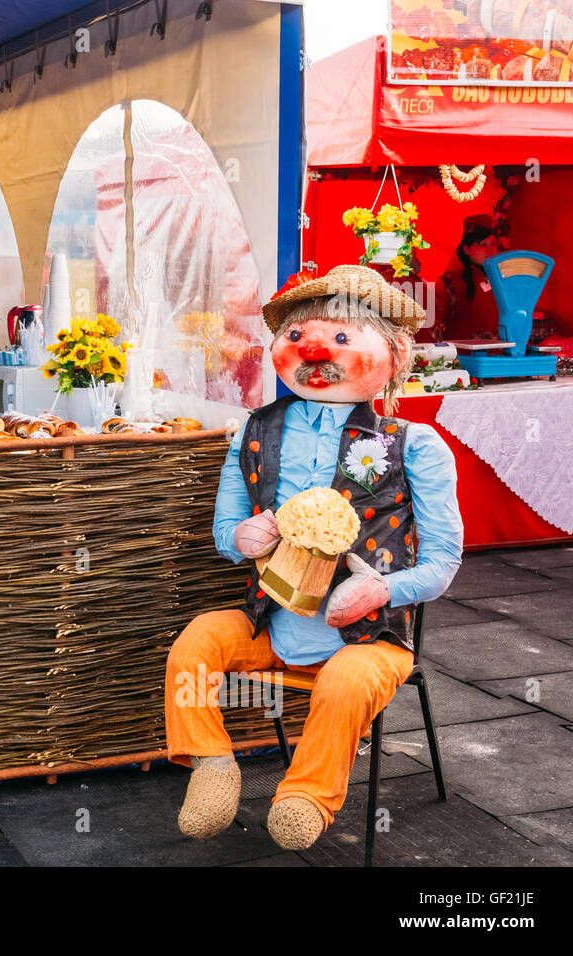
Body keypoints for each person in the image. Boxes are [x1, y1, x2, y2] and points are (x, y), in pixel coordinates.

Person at [165, 265, 463, 851]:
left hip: (371, 636)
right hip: (273, 623)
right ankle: (212, 766)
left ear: (394, 354)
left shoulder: (412, 443)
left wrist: (383, 589)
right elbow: (226, 534)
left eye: (343, 338)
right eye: (299, 337)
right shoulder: (252, 431)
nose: (316, 351)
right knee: (197, 642)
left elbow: (444, 561)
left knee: (348, 681)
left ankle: (305, 795)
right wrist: (241, 538)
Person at [436, 214, 504, 341]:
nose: (489, 249)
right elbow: (434, 324)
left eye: (493, 244)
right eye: (483, 244)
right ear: (467, 249)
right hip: (461, 357)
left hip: (498, 357)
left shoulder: (502, 279)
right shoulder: (449, 282)